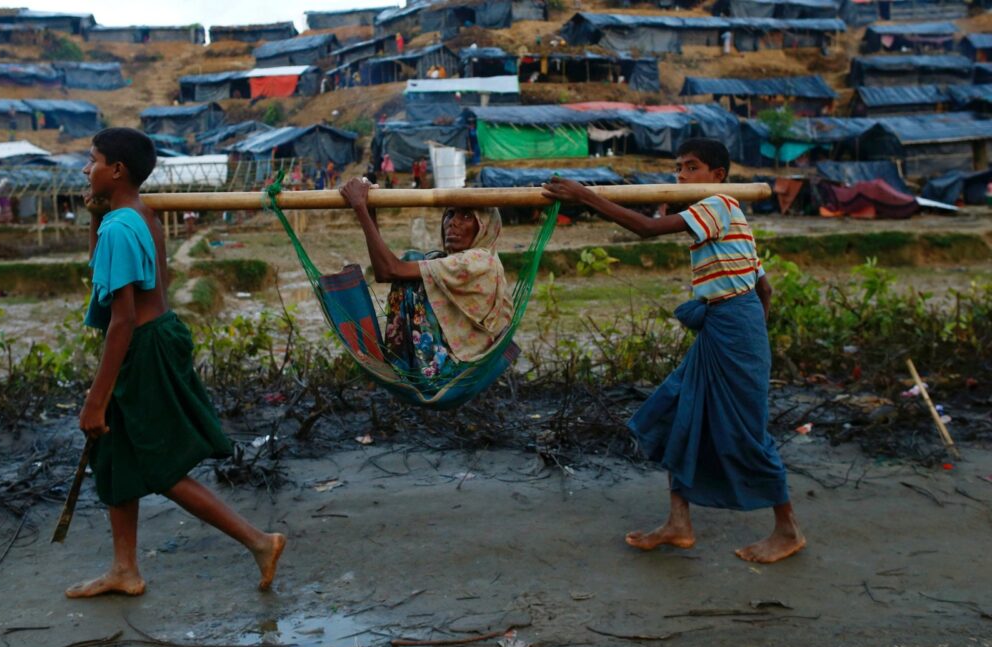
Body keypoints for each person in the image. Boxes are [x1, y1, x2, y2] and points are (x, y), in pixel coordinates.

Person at [542, 139, 805, 564]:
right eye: (678, 168)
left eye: (691, 167)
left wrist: (585, 196)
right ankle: (678, 522)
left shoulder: (718, 203)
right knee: (678, 410)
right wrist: (749, 324)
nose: (680, 175)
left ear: (717, 174)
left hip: (733, 329)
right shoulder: (727, 214)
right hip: (729, 326)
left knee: (746, 432)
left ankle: (788, 530)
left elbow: (645, 229)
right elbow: (765, 287)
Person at [66, 128, 286, 599]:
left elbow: (121, 319)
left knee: (159, 465)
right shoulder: (137, 217)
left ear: (117, 170)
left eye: (93, 160)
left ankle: (259, 541)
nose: (87, 169)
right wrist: (94, 219)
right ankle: (124, 569)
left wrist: (95, 399)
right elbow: (104, 277)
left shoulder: (121, 227)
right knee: (115, 455)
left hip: (141, 346)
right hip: (155, 337)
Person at [338, 177, 511, 381]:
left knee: (413, 263)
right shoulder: (457, 262)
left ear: (485, 226)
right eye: (450, 214)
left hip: (454, 369)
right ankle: (401, 362)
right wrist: (369, 209)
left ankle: (401, 363)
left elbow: (389, 271)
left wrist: (361, 209)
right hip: (449, 357)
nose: (453, 222)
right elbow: (384, 271)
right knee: (420, 264)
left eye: (466, 216)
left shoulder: (478, 261)